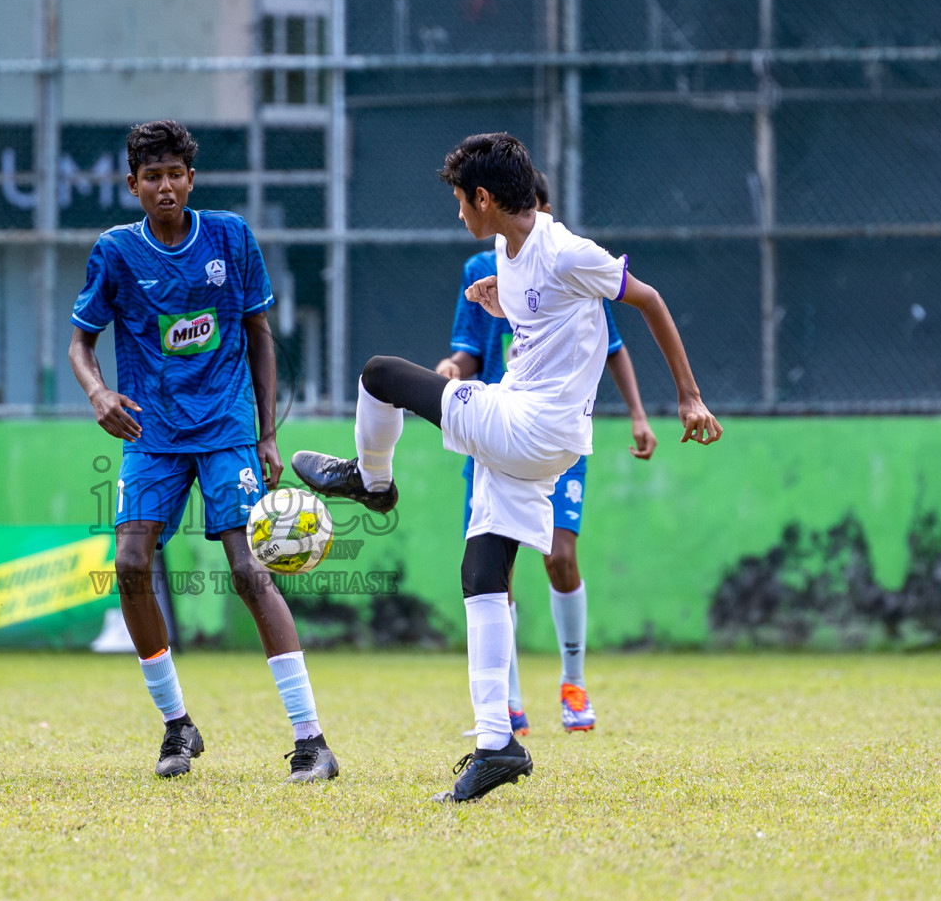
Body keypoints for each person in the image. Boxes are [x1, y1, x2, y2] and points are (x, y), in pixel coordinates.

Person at [293, 132, 720, 803]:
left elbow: (651, 301)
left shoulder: (564, 250)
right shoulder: (505, 251)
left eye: (461, 201)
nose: (460, 213)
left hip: (528, 425)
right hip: (534, 434)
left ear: (484, 199)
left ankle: (371, 482)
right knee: (483, 573)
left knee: (379, 376)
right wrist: (504, 302)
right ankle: (498, 744)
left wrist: (688, 397)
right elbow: (546, 322)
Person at [68, 119, 339, 783]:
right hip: (150, 433)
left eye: (175, 175)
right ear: (133, 185)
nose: (165, 187)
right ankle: (176, 727)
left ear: (191, 179)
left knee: (250, 571)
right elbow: (81, 342)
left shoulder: (229, 238)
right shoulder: (115, 252)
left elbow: (259, 333)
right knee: (130, 563)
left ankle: (311, 741)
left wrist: (266, 431)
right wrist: (98, 392)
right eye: (151, 177)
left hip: (225, 427)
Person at [435, 170, 657, 736]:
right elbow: (466, 351)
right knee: (492, 569)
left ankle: (573, 681)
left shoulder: (569, 263)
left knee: (559, 556)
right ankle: (508, 703)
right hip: (497, 426)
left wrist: (638, 413)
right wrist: (450, 374)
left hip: (555, 433)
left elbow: (614, 344)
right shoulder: (482, 268)